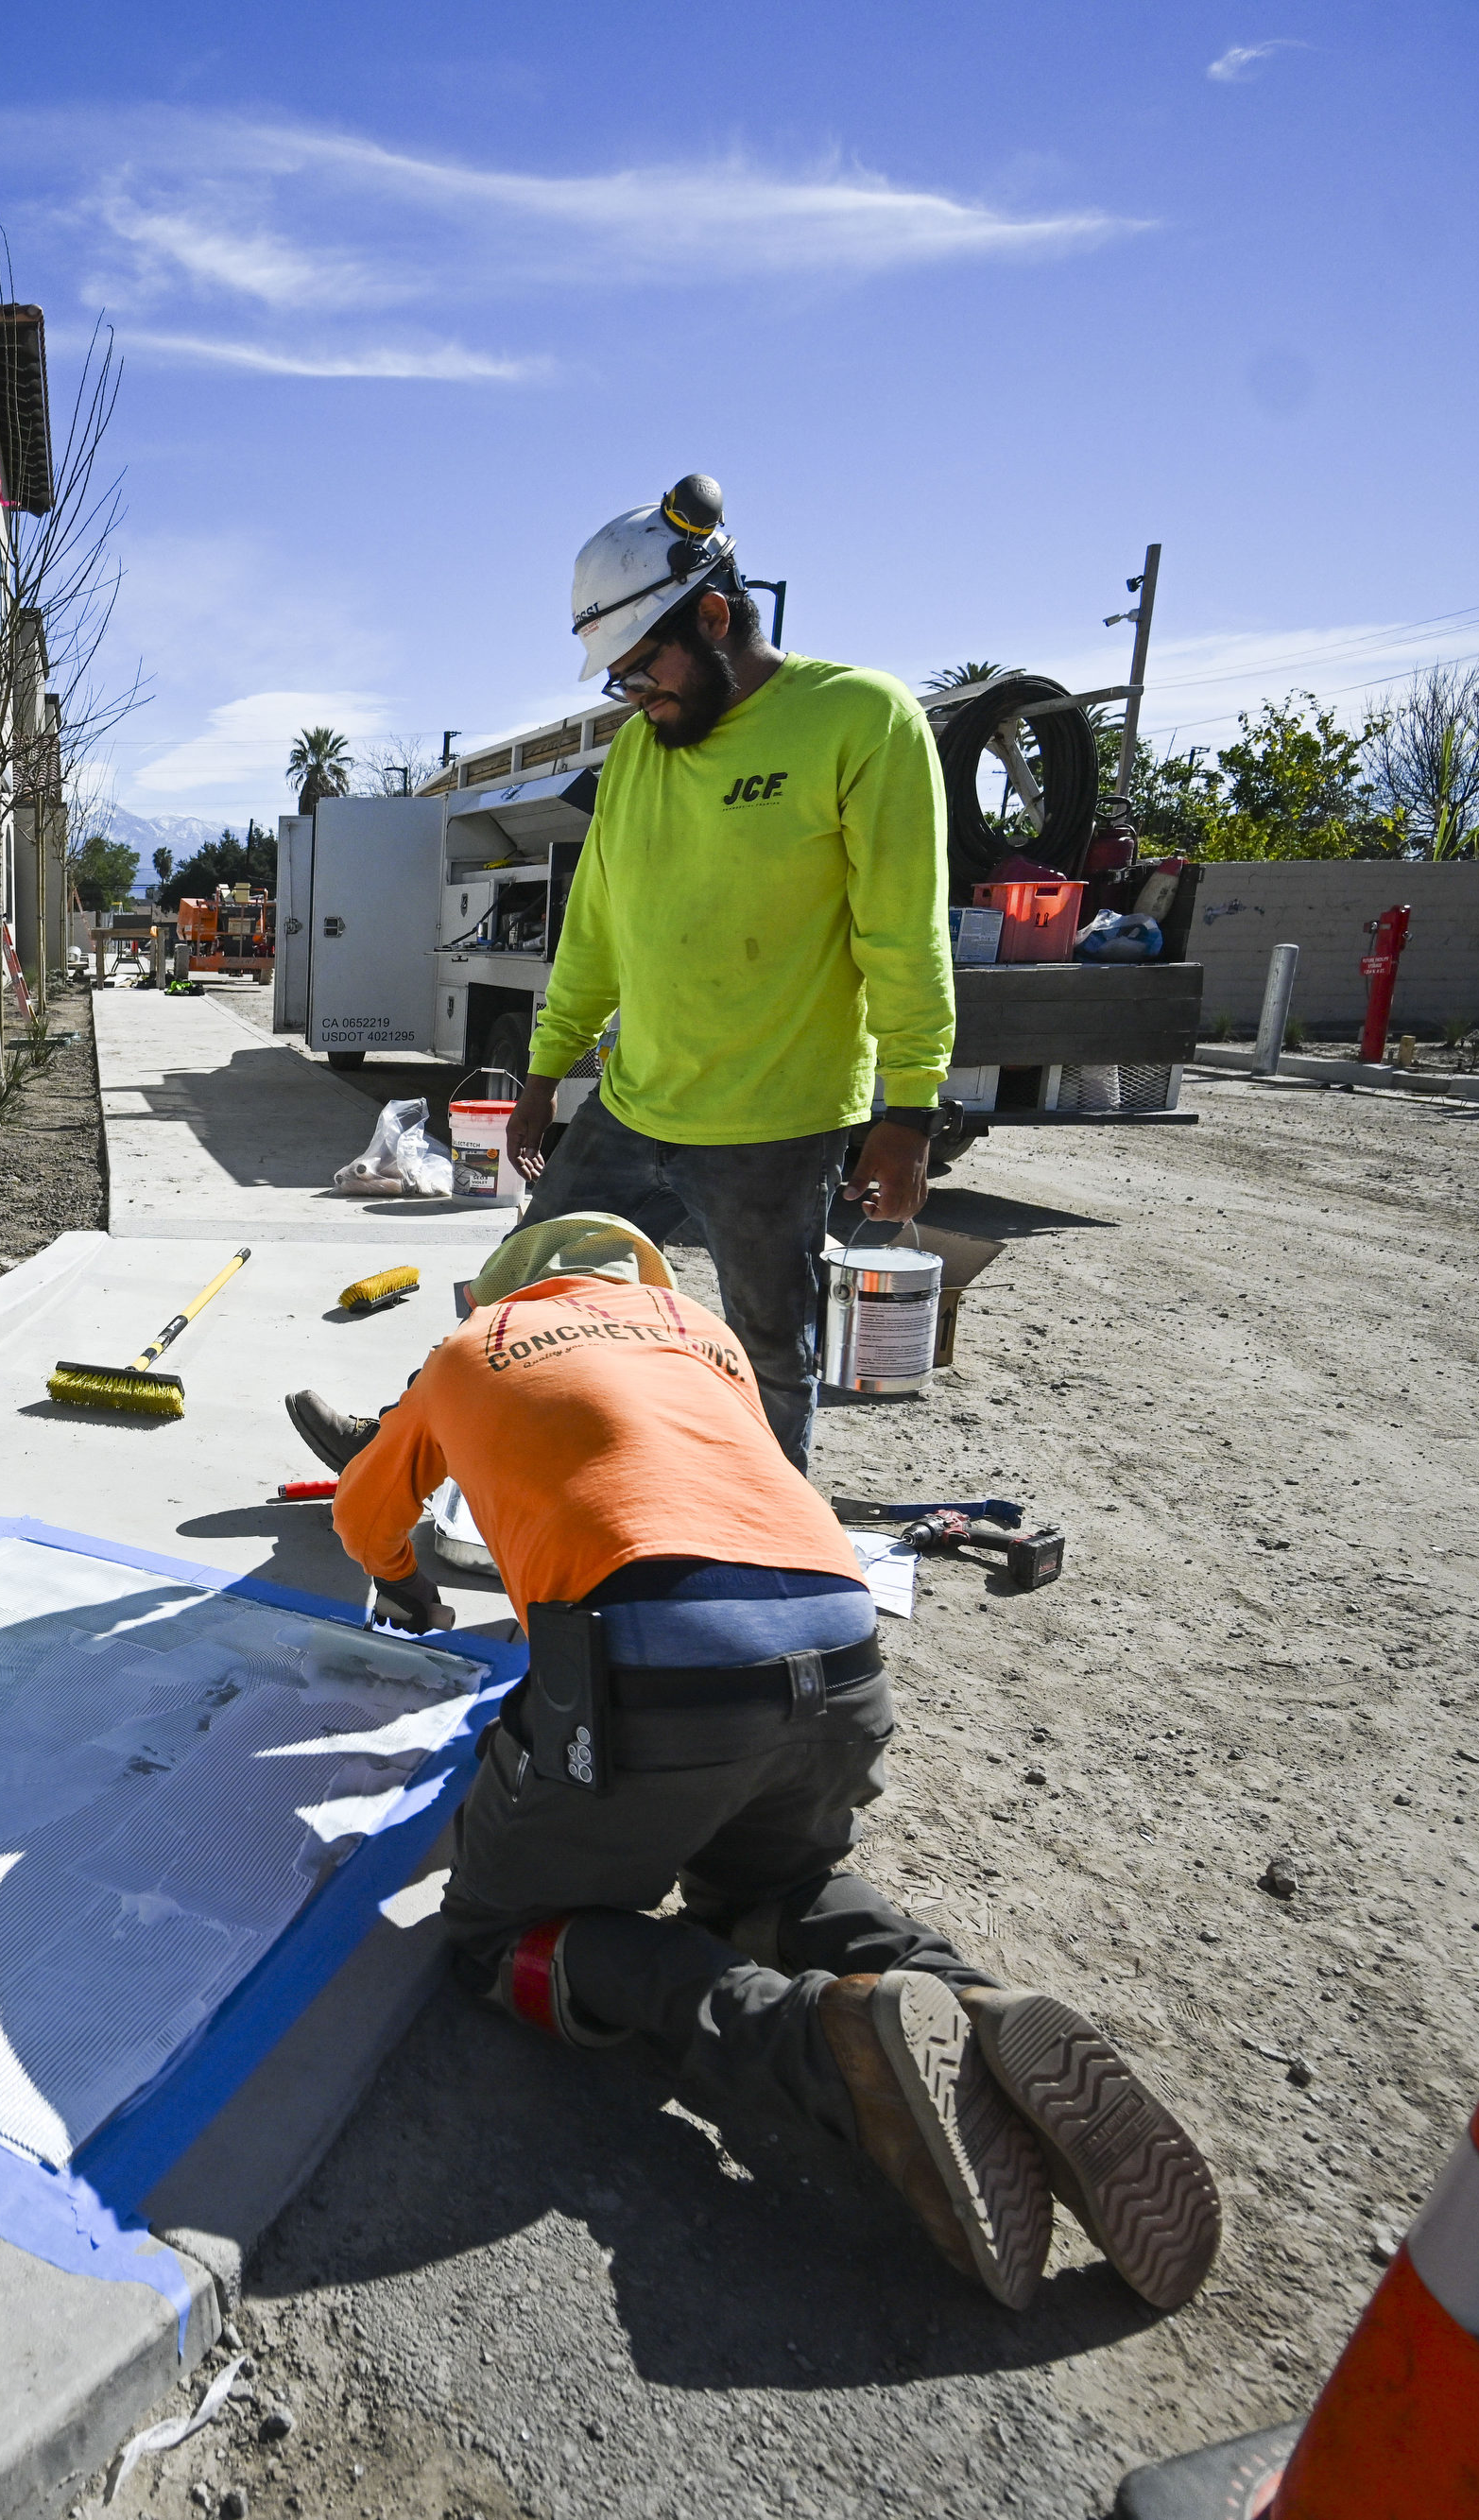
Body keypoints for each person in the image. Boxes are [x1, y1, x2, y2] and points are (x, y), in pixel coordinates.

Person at [284, 1213, 1219, 2314]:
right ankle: (976, 2006)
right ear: (633, 1279)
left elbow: (364, 1511)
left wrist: (406, 1591)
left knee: (495, 1935)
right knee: (770, 1887)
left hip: (653, 1670)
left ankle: (827, 2045)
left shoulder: (471, 1347)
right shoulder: (703, 1335)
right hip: (839, 1649)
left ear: (506, 1292)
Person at [511, 473, 956, 1469]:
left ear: (712, 615)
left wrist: (909, 1112)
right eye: (620, 681)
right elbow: (596, 932)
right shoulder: (638, 753)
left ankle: (768, 1560)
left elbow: (901, 934)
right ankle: (413, 1456)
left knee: (769, 1358)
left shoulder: (859, 719)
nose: (637, 698)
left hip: (774, 1128)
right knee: (524, 1299)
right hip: (633, 1108)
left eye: (642, 673)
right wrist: (545, 1074)